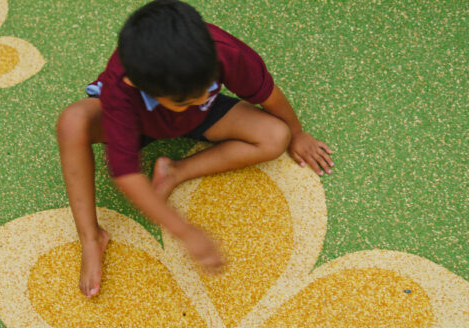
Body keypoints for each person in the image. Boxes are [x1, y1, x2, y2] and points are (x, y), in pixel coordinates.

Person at [56, 0, 334, 298]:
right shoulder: (120, 86)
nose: (203, 94)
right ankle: (91, 237)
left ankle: (176, 170)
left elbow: (268, 94)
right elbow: (126, 175)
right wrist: (185, 231)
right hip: (136, 125)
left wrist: (297, 132)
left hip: (203, 118)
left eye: (207, 87)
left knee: (276, 136)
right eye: (188, 98)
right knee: (71, 123)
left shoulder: (221, 50)